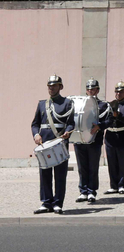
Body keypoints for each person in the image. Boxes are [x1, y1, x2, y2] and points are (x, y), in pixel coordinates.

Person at [31, 74, 75, 214]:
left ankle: (58, 203)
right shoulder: (42, 104)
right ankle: (46, 202)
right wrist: (36, 134)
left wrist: (68, 132)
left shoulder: (67, 103)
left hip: (59, 142)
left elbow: (71, 123)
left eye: (54, 85)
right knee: (44, 173)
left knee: (60, 174)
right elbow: (35, 124)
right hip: (44, 143)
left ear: (60, 87)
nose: (51, 88)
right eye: (49, 86)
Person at [72, 79, 104, 203]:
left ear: (98, 90)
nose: (91, 91)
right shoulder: (80, 103)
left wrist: (99, 126)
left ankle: (92, 191)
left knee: (93, 167)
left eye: (93, 89)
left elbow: (109, 120)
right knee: (82, 167)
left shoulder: (102, 105)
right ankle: (83, 191)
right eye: (88, 89)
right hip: (80, 140)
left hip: (94, 140)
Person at [102, 81, 124, 194]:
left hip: (123, 135)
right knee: (111, 162)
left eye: (121, 91)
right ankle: (113, 185)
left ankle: (122, 185)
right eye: (116, 91)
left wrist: (119, 116)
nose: (118, 94)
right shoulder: (109, 104)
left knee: (122, 162)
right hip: (110, 136)